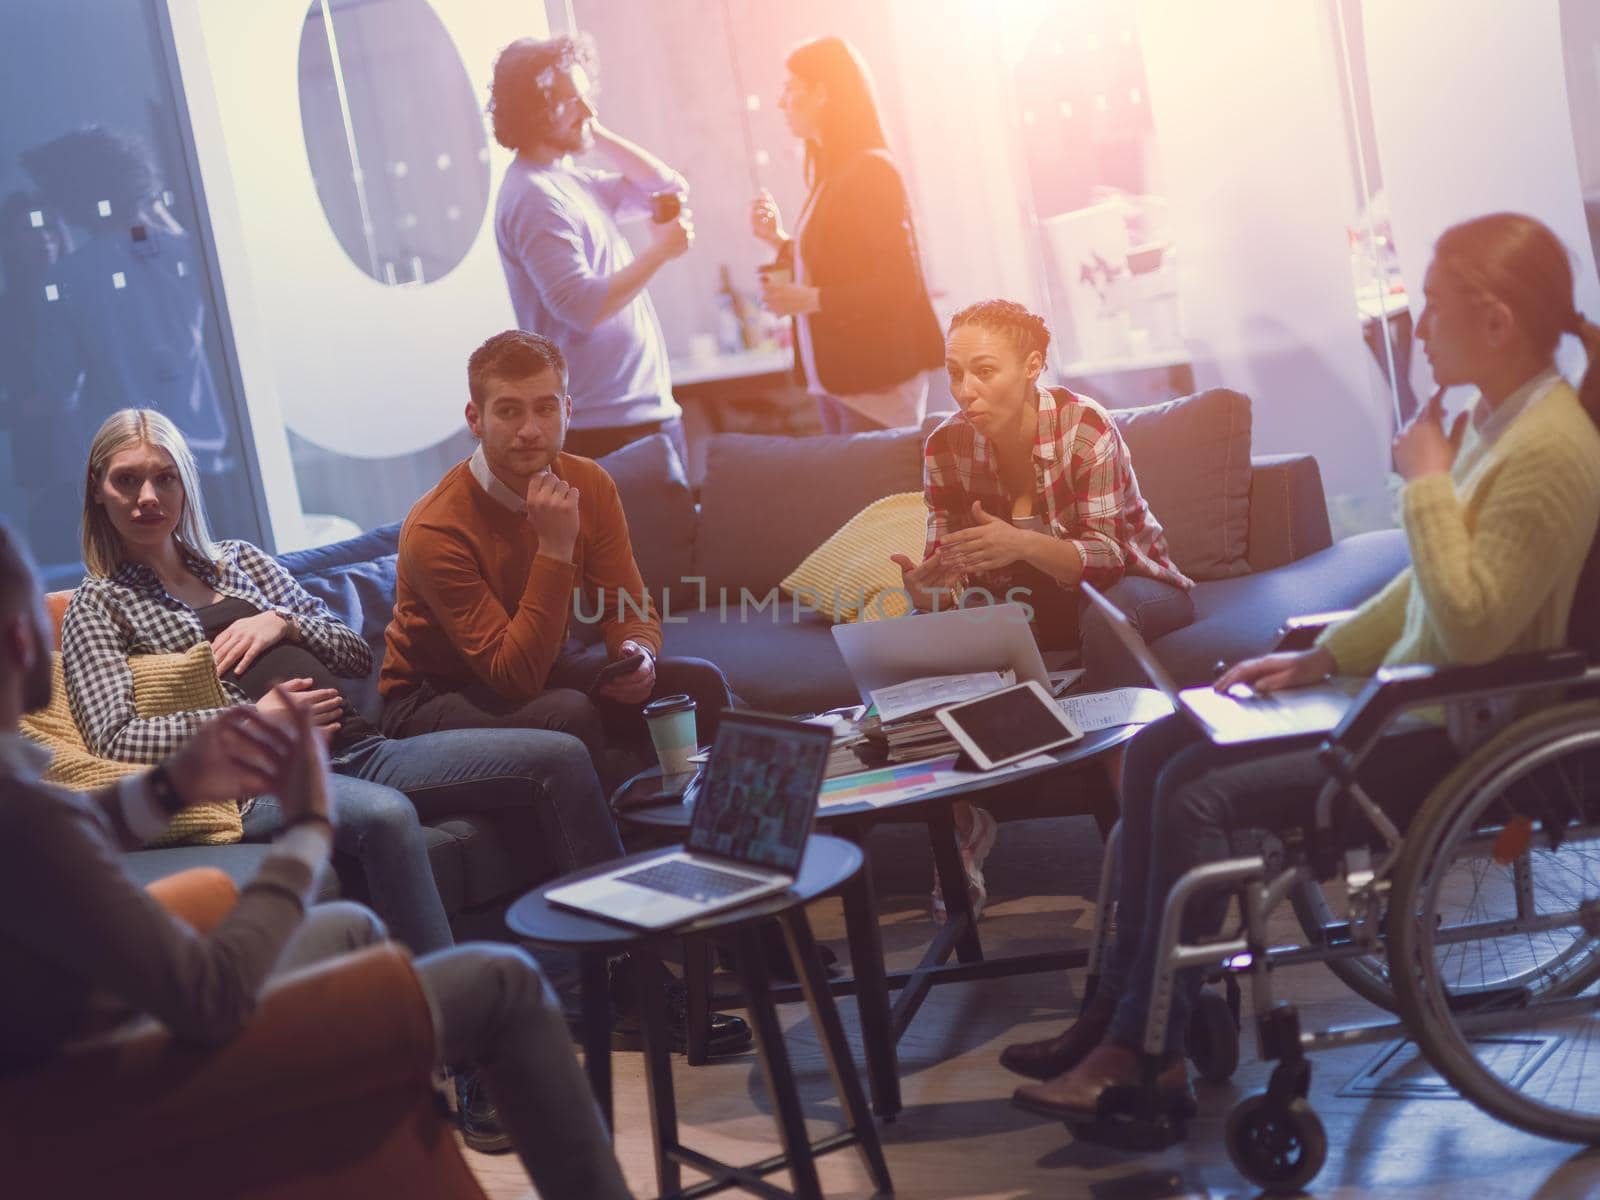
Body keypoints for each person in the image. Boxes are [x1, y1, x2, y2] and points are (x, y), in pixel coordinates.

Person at [1003, 213, 1600, 1125]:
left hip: (1458, 727)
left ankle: (1146, 1046)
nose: (1416, 326)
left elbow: (1473, 627)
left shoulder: (1550, 452)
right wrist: (1318, 655)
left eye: (1431, 306)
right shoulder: (1501, 422)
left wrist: (1428, 483)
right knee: (1163, 744)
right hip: (1412, 703)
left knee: (1195, 788)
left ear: (1495, 319)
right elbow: (1423, 593)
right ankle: (1114, 1021)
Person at [0, 522, 634, 1199]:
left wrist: (177, 783)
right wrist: (305, 831)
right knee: (502, 980)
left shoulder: (23, 804)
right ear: (19, 639)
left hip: (94, 1044)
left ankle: (399, 1163)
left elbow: (88, 826)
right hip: (140, 1077)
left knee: (354, 936)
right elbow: (209, 997)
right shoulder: (30, 816)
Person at [379, 330, 748, 1053]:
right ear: (474, 419)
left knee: (696, 685)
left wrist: (636, 651)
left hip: (537, 667)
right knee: (572, 714)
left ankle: (742, 916)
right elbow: (510, 675)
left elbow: (628, 604)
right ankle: (629, 974)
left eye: (545, 408)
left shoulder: (591, 482)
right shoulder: (435, 528)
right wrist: (552, 546)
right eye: (509, 411)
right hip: (428, 704)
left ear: (570, 408)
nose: (530, 429)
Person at [893, 298, 1191, 923]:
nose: (964, 390)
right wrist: (927, 594)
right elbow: (947, 567)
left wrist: (1018, 541)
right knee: (920, 637)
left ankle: (1137, 838)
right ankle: (963, 825)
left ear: (1032, 366)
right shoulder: (945, 446)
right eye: (954, 373)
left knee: (1107, 623)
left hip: (1132, 584)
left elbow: (1108, 556)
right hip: (1026, 605)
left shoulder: (1086, 426)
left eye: (983, 370)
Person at [489, 33, 691, 461]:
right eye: (573, 103)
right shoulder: (533, 195)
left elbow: (667, 188)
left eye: (587, 98)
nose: (590, 110)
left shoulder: (571, 180)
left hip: (636, 412)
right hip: (605, 426)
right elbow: (581, 307)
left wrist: (590, 131)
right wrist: (658, 254)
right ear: (535, 112)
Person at [750, 35, 943, 434]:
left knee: (885, 496)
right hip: (838, 383)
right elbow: (838, 262)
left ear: (822, 92)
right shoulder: (831, 174)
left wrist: (811, 298)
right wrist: (780, 242)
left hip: (875, 385)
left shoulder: (870, 169)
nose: (781, 101)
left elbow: (898, 283)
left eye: (790, 88)